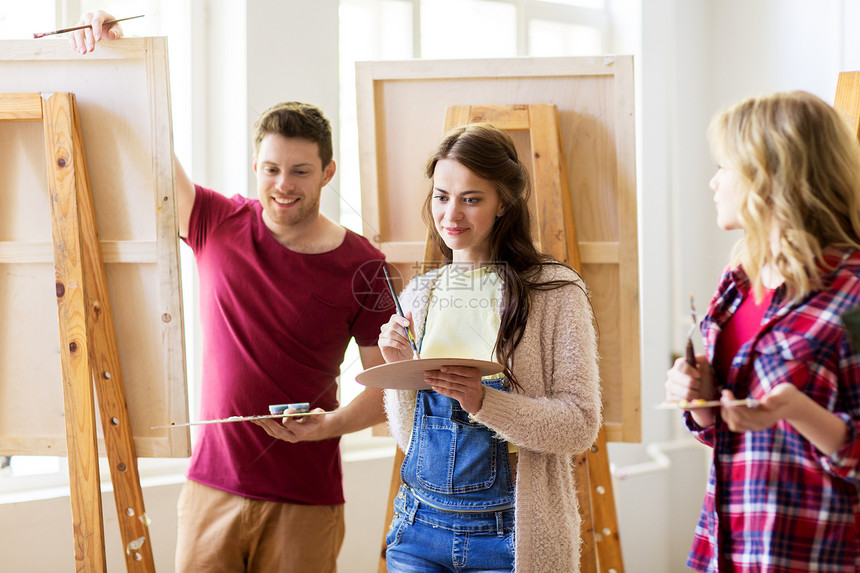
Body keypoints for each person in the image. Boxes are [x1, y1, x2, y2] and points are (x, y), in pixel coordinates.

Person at [72, 12, 390, 573]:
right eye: (271, 169)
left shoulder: (364, 264)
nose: (283, 185)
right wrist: (112, 50)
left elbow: (390, 388)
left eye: (299, 170)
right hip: (209, 490)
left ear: (328, 172)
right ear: (255, 166)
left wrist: (329, 425)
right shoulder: (215, 221)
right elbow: (150, 139)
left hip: (307, 499)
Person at [378, 123, 602, 572]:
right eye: (442, 196)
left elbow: (579, 426)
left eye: (471, 198)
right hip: (418, 527)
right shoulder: (420, 294)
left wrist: (483, 402)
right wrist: (400, 373)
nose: (451, 215)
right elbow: (411, 440)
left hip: (511, 538)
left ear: (504, 202)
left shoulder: (555, 293)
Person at [665, 91, 860, 572]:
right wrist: (701, 400)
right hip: (725, 550)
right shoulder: (736, 285)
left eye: (724, 167)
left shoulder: (853, 292)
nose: (713, 182)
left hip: (814, 555)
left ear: (768, 176)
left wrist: (797, 411)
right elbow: (734, 441)